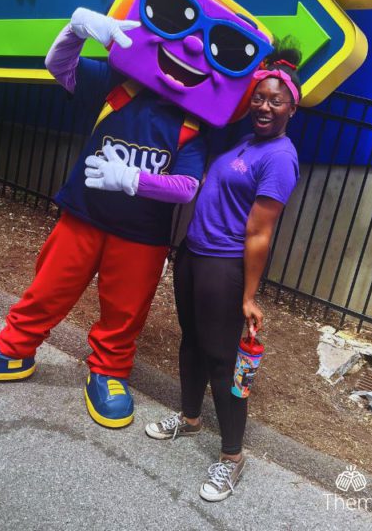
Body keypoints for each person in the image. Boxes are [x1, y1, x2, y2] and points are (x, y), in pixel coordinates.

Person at [0, 0, 273, 428]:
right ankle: (14, 349)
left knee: (124, 312)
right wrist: (75, 29)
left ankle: (108, 372)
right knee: (48, 288)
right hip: (82, 216)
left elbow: (186, 188)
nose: (189, 46)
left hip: (141, 236)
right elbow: (58, 68)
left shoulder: (193, 128)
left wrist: (133, 180)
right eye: (173, 21)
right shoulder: (116, 87)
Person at [144, 47, 302, 502]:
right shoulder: (245, 141)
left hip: (224, 264)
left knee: (223, 360)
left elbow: (259, 233)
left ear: (292, 108)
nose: (265, 107)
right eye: (259, 98)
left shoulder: (279, 157)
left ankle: (232, 458)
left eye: (275, 101)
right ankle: (190, 419)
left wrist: (250, 296)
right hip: (194, 253)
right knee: (190, 341)